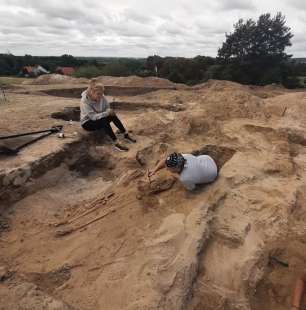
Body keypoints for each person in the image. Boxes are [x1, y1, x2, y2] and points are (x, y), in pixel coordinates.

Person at [80, 79, 136, 151]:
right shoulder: (84, 102)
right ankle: (116, 143)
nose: (100, 96)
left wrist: (109, 111)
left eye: (102, 93)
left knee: (112, 115)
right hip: (88, 122)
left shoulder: (101, 96)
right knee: (103, 121)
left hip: (99, 117)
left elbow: (107, 107)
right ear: (91, 92)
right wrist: (106, 113)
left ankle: (125, 134)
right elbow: (93, 117)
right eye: (98, 94)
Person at [148, 152, 218, 190]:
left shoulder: (185, 178)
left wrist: (176, 176)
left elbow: (192, 188)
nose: (166, 169)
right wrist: (154, 170)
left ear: (177, 169)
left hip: (212, 175)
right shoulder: (184, 157)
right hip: (207, 159)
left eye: (169, 168)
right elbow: (165, 160)